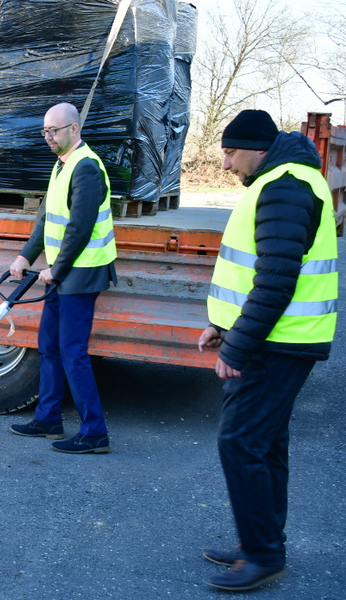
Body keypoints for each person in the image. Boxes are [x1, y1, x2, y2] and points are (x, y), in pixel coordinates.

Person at [197, 109, 338, 591]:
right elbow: (260, 269)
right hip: (280, 338)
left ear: (257, 148)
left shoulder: (284, 186)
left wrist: (236, 346)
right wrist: (223, 325)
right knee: (267, 444)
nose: (227, 164)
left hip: (279, 343)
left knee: (241, 442)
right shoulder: (284, 179)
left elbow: (276, 281)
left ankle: (262, 554)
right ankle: (262, 542)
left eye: (232, 153)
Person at [8, 102, 117, 454]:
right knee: (49, 346)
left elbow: (80, 227)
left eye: (53, 131)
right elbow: (47, 219)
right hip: (63, 272)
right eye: (44, 131)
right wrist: (26, 256)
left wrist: (57, 269)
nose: (47, 137)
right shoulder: (61, 166)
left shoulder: (86, 168)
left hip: (81, 273)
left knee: (72, 351)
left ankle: (95, 432)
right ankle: (49, 419)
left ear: (74, 129)